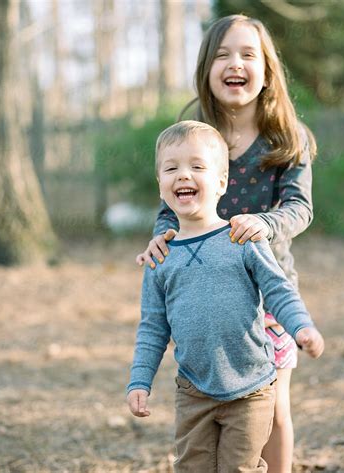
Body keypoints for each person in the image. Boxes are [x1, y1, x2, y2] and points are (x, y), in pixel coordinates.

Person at [136, 15, 317, 472]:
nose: (234, 64)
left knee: (273, 406)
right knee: (211, 409)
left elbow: (299, 208)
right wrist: (162, 237)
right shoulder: (193, 136)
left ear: (266, 70)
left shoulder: (286, 138)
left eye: (247, 54)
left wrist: (264, 224)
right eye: (222, 54)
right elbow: (170, 205)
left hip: (268, 291)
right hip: (208, 289)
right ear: (206, 68)